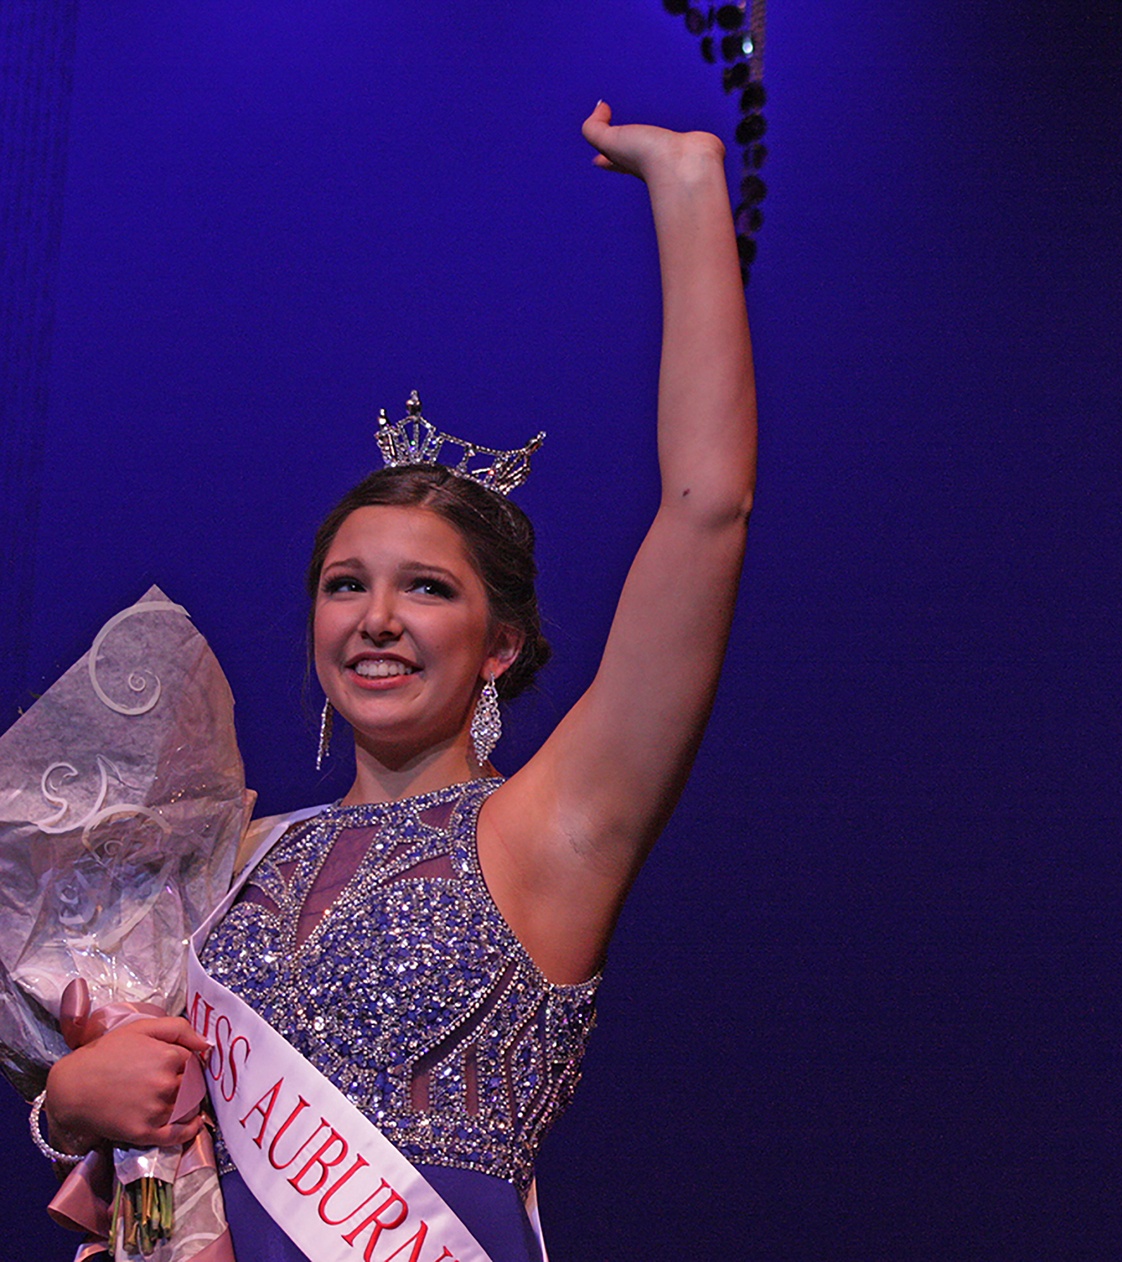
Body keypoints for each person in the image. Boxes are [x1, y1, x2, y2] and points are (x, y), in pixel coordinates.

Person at [36, 102, 754, 1261]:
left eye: (425, 588)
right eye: (343, 585)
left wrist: (684, 187)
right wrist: (71, 1107)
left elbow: (707, 512)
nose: (374, 618)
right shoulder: (235, 858)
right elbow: (158, 1182)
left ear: (501, 643)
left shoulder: (553, 828)